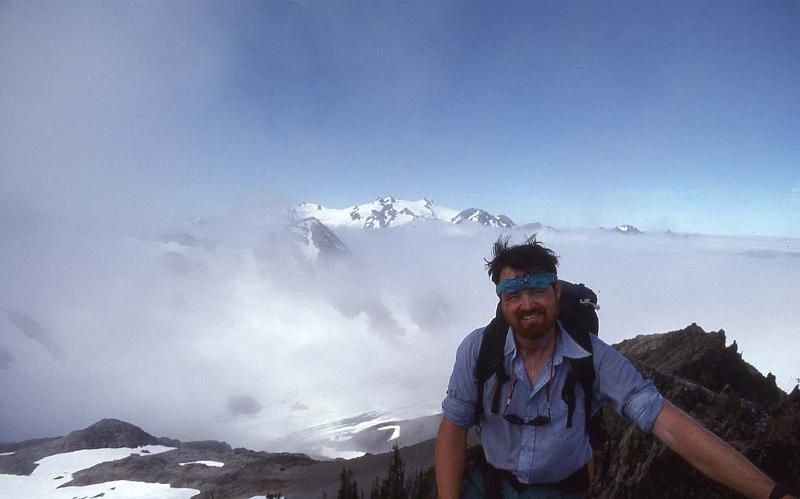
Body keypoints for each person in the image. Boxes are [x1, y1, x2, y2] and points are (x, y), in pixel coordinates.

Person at [435, 237, 797, 499]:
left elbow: (668, 423)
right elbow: (453, 429)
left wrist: (772, 492)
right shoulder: (478, 350)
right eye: (514, 294)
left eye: (538, 291)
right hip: (490, 486)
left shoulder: (594, 358)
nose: (527, 304)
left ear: (557, 292)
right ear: (501, 300)